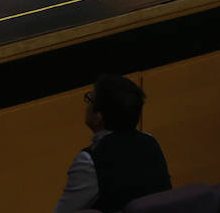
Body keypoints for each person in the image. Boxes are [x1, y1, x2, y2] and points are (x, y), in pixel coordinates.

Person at [54, 74, 172, 212]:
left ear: (98, 118)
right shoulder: (150, 141)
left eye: (91, 99)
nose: (87, 104)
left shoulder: (90, 161)